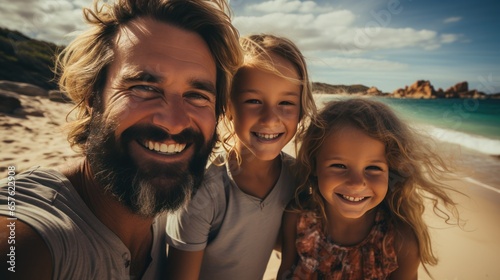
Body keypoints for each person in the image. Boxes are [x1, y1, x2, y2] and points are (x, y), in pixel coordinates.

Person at [0, 0, 242, 279]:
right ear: (93, 96)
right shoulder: (26, 241)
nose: (174, 122)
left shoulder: (169, 209)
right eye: (144, 88)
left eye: (197, 95)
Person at [166, 34, 317, 280]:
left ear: (301, 111)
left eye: (286, 103)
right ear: (228, 106)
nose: (270, 118)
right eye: (254, 101)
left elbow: (288, 250)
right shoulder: (202, 190)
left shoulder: (297, 178)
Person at [277, 98, 463, 279]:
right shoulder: (297, 219)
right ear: (314, 164)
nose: (356, 183)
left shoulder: (399, 242)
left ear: (391, 172)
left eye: (373, 168)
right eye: (339, 166)